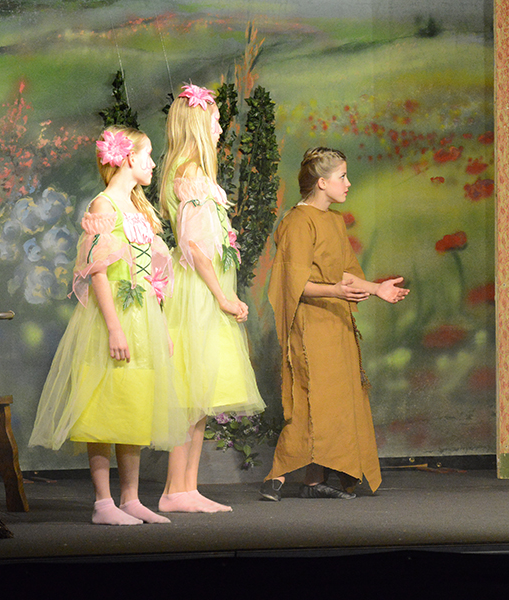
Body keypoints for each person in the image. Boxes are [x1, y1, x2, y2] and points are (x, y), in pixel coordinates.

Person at [29, 126, 185, 525]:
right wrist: (114, 328)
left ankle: (131, 498)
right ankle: (103, 502)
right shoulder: (104, 205)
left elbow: (149, 277)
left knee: (133, 403)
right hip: (111, 316)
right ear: (129, 158)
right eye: (148, 155)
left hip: (142, 316)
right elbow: (97, 271)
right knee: (103, 404)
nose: (153, 164)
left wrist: (159, 325)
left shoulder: (137, 207)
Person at [260, 147, 409, 501]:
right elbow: (294, 284)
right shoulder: (298, 221)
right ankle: (276, 476)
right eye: (342, 176)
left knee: (339, 401)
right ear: (321, 182)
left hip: (336, 322)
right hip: (310, 325)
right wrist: (335, 291)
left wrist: (376, 289)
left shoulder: (334, 221)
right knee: (312, 399)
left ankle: (314, 481)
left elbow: (343, 274)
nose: (348, 183)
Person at [158, 84, 265, 513]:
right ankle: (174, 488)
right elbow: (193, 245)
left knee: (199, 394)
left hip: (207, 289)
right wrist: (222, 295)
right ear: (199, 125)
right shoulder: (191, 175)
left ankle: (186, 488)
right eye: (216, 121)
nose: (221, 129)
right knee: (189, 391)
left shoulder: (196, 174)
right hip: (198, 293)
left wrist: (226, 290)